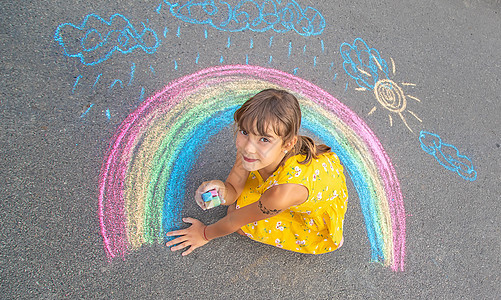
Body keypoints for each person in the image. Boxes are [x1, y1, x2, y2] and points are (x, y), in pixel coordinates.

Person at [166, 89, 348, 256]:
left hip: (313, 211)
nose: (248, 148)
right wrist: (219, 189)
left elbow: (234, 221)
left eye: (264, 139)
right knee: (236, 204)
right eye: (244, 132)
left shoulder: (282, 193)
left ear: (287, 144)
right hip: (293, 182)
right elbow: (233, 190)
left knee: (234, 215)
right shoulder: (252, 151)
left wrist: (205, 234)